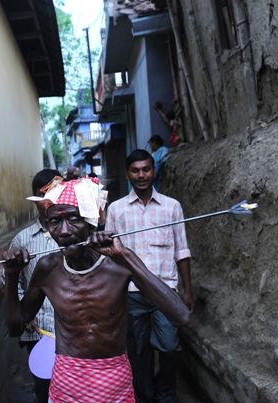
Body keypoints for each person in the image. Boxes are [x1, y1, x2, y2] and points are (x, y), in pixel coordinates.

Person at [3, 177, 191, 403]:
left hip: (114, 379)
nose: (63, 231)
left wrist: (126, 258)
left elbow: (181, 315)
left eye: (74, 219)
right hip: (66, 381)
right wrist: (12, 276)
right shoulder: (48, 268)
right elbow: (15, 327)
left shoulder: (118, 263)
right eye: (55, 222)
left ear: (92, 222)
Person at [105, 149, 193, 403]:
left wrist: (187, 291)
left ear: (154, 171)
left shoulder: (172, 206)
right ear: (128, 173)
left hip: (165, 291)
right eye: (136, 170)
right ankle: (145, 396)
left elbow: (182, 250)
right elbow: (110, 256)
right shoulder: (116, 210)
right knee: (138, 351)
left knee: (169, 347)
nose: (141, 175)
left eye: (146, 169)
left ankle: (165, 391)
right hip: (131, 294)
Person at [7, 168, 61, 403]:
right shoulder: (23, 239)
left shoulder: (76, 233)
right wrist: (22, 311)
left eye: (57, 193)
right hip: (38, 330)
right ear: (36, 199)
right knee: (44, 389)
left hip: (73, 329)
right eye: (44, 195)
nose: (50, 200)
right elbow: (12, 281)